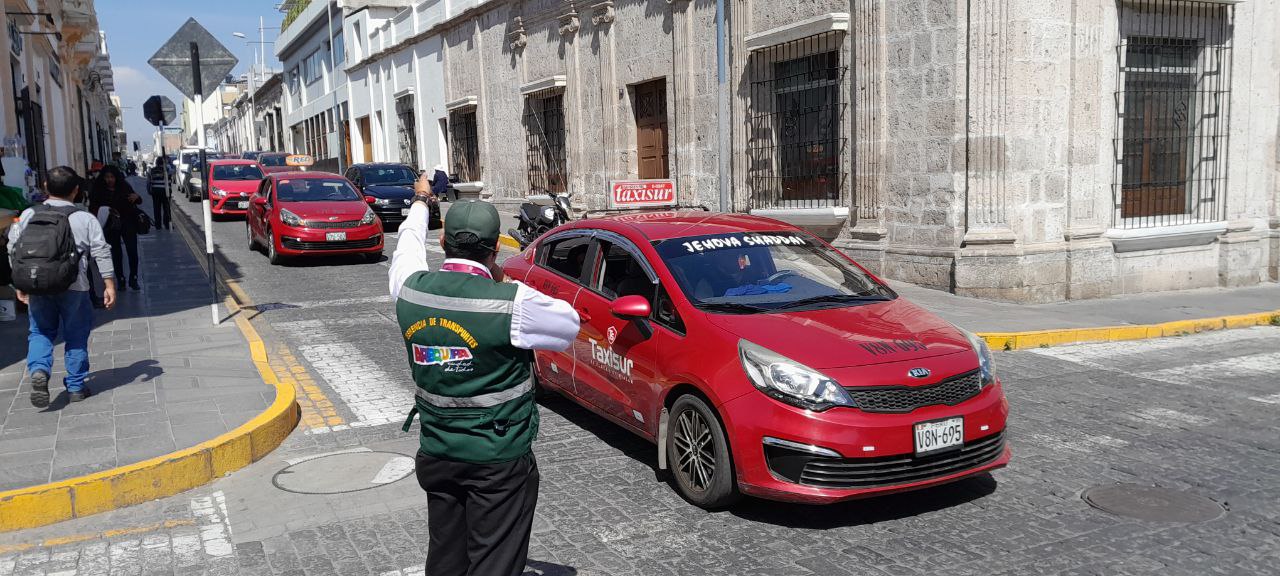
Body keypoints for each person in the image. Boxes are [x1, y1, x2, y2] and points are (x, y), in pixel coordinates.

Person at [389, 173, 580, 576]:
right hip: (497, 458)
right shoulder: (509, 303)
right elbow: (569, 325)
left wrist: (422, 198)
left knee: (446, 556)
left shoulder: (410, 288)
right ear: (496, 249)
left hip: (438, 451)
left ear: (443, 244)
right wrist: (506, 281)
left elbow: (407, 241)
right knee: (494, 562)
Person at [8, 166, 116, 406]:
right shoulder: (84, 218)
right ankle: (76, 386)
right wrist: (109, 284)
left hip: (38, 284)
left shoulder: (28, 215)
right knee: (76, 334)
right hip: (75, 286)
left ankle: (40, 370)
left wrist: (20, 282)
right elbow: (101, 251)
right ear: (76, 190)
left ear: (45, 187)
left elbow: (13, 248)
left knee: (40, 331)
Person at [89, 165, 143, 291]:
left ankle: (133, 278)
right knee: (116, 253)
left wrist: (136, 197)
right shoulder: (98, 190)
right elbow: (93, 207)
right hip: (110, 224)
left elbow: (138, 200)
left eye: (112, 177)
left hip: (127, 221)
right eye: (107, 177)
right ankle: (121, 279)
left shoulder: (124, 186)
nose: (110, 180)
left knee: (132, 251)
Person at [148, 156, 172, 230]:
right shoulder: (167, 169)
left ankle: (158, 225)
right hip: (166, 191)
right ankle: (167, 224)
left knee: (156, 208)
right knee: (166, 208)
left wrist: (149, 191)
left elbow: (148, 182)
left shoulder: (152, 170)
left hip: (155, 191)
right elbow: (171, 176)